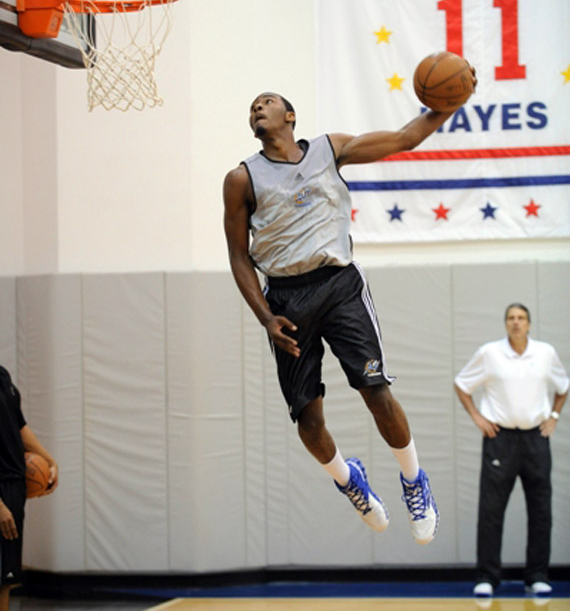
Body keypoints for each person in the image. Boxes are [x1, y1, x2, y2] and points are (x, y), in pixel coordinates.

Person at [223, 76, 476, 544]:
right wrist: (264, 316)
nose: (258, 106)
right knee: (309, 419)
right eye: (253, 104)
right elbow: (239, 255)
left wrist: (449, 103)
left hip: (339, 284)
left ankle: (414, 480)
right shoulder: (242, 178)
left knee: (375, 391)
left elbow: (404, 138)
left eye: (269, 101)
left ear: (290, 117)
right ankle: (348, 480)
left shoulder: (328, 150)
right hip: (284, 298)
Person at [454, 304, 568, 599]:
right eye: (511, 318)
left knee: (541, 509)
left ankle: (537, 576)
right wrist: (478, 417)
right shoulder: (490, 354)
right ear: (505, 324)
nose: (516, 323)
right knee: (491, 510)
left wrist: (553, 417)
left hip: (535, 439)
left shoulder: (545, 353)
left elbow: (563, 386)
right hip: (500, 439)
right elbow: (462, 384)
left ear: (529, 324)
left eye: (521, 318)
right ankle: (488, 577)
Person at [0, 365, 59, 611]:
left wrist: (48, 460)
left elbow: (19, 426)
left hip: (14, 487)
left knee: (5, 578)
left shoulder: (2, 377)